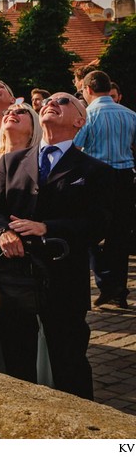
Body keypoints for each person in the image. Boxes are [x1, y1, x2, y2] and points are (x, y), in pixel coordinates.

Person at [0, 92, 112, 399]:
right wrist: (3, 232)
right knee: (18, 362)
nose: (54, 102)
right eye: (50, 100)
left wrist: (47, 228)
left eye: (65, 101)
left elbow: (99, 224)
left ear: (80, 121)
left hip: (64, 277)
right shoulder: (12, 162)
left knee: (70, 363)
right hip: (15, 276)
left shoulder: (94, 170)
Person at [0, 102, 46, 377]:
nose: (11, 113)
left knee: (27, 322)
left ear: (35, 125)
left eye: (22, 111)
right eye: (8, 112)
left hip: (26, 251)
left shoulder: (42, 160)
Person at [75, 70, 136, 308]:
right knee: (119, 235)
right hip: (125, 177)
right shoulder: (130, 114)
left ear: (88, 89)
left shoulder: (87, 116)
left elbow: (77, 147)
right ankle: (118, 288)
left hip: (97, 177)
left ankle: (106, 283)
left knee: (89, 233)